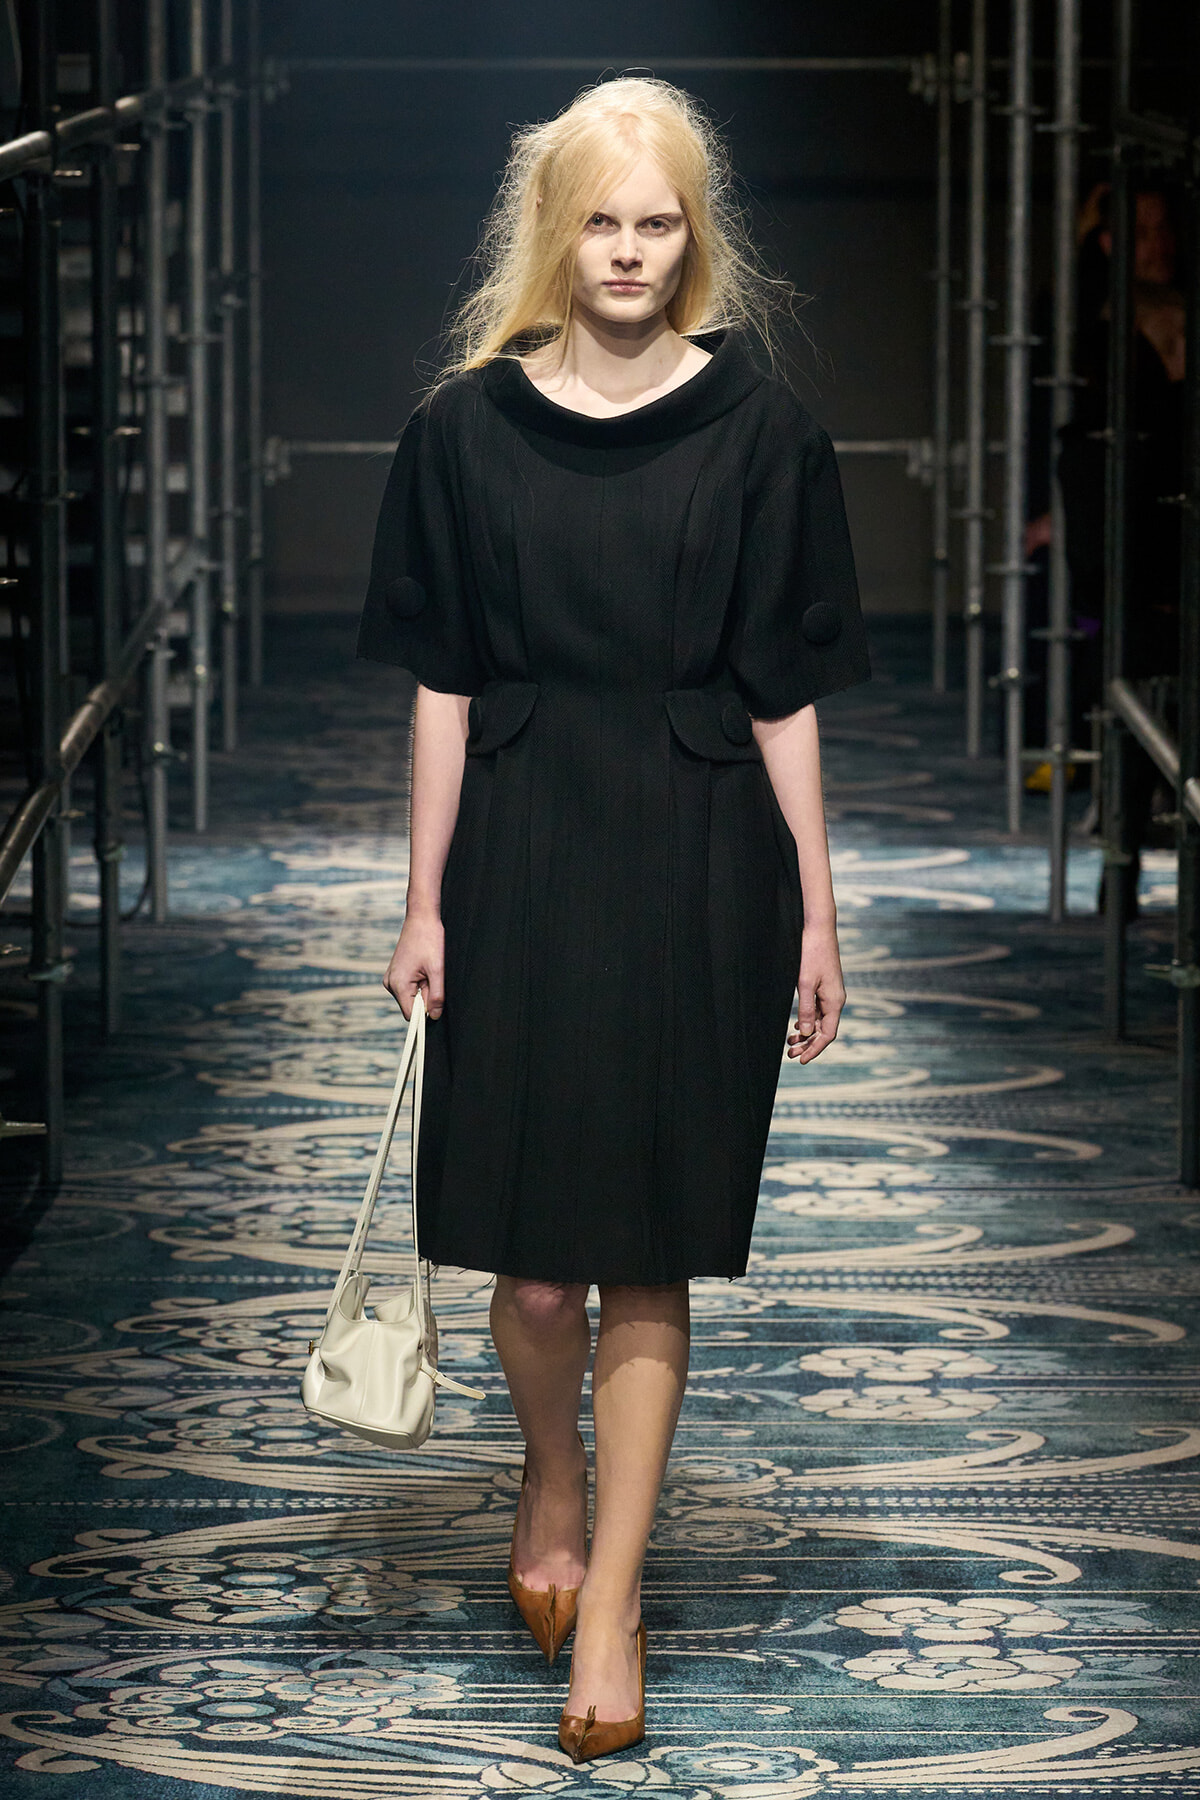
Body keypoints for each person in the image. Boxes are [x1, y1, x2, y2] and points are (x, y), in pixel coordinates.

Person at [356, 75, 870, 1763]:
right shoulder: (461, 432)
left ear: (693, 237)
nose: (632, 251)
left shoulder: (768, 436)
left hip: (700, 852)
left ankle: (621, 1593)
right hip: (518, 841)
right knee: (529, 1271)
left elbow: (786, 692)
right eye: (603, 219)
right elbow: (440, 683)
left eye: (659, 222)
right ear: (554, 231)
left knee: (652, 1246)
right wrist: (423, 898)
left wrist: (816, 908)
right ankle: (552, 1473)